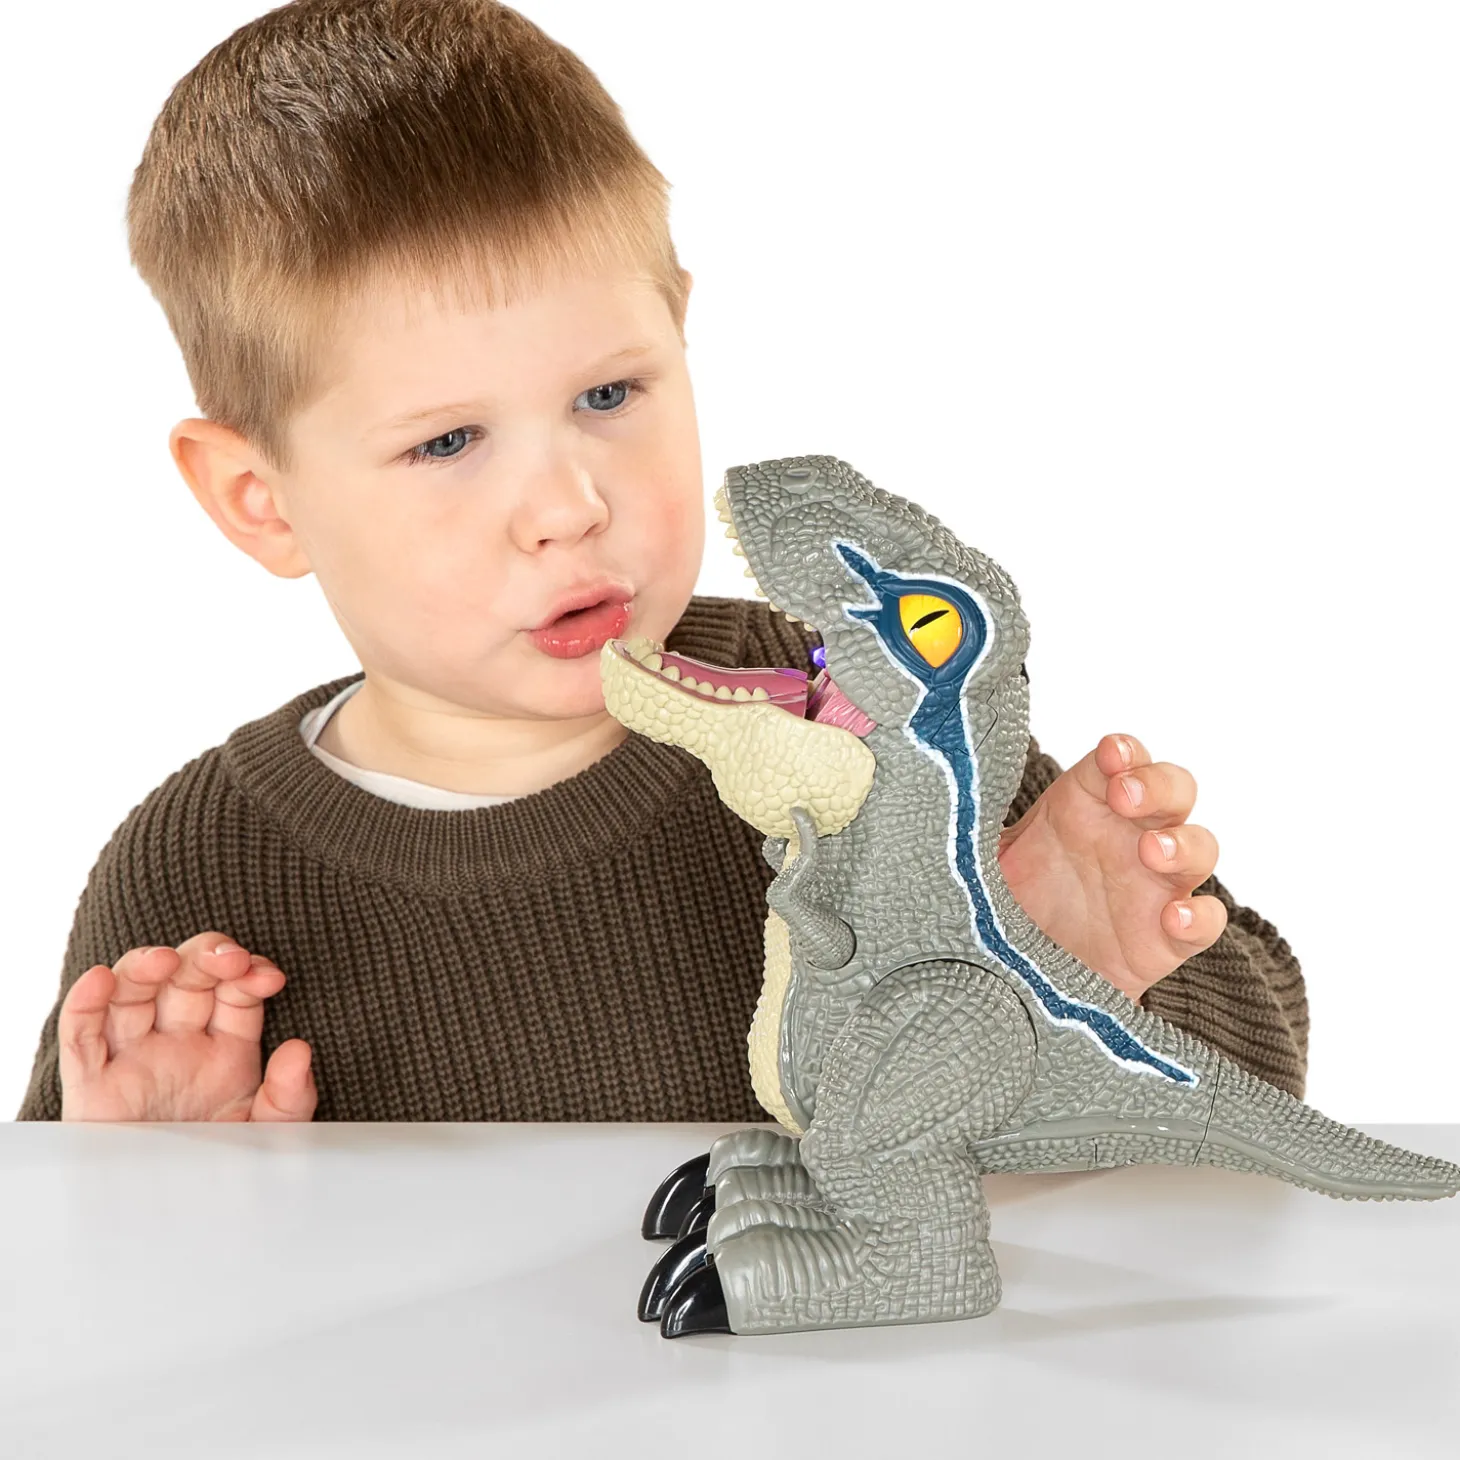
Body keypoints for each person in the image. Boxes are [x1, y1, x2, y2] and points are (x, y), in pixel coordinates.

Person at [14, 0, 1307, 1124]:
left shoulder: (859, 711)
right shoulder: (195, 882)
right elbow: (93, 1297)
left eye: (610, 394)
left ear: (678, 332)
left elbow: (1262, 1083)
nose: (569, 508)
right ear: (260, 500)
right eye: (448, 441)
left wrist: (1060, 973)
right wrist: (161, 1187)